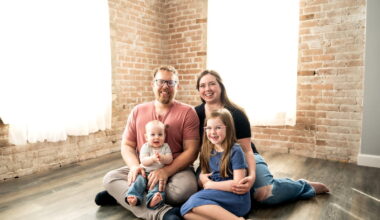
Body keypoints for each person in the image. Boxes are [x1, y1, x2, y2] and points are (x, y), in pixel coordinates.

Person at [195, 70, 329, 207]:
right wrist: (201, 177)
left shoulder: (236, 113)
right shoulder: (195, 114)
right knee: (200, 188)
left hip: (244, 157)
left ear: (221, 87)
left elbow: (247, 151)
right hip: (213, 161)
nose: (207, 89)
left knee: (263, 193)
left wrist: (252, 176)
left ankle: (302, 186)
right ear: (198, 90)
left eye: (212, 84)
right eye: (202, 86)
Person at [95, 66, 200, 220]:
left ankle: (126, 194)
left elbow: (191, 151)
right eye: (160, 81)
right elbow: (127, 145)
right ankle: (161, 213)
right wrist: (134, 167)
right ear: (153, 84)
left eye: (170, 83)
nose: (165, 86)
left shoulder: (188, 112)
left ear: (177, 86)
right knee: (110, 178)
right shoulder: (138, 111)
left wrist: (166, 171)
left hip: (177, 169)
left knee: (185, 191)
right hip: (144, 167)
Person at [181, 109, 250, 220]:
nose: (212, 132)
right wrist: (202, 178)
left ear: (228, 129)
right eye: (208, 128)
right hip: (215, 195)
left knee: (193, 202)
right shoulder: (207, 149)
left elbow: (238, 184)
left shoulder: (235, 150)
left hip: (235, 198)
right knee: (186, 213)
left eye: (218, 128)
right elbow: (204, 176)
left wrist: (210, 185)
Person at [126, 120, 173, 209]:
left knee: (158, 186)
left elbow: (170, 159)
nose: (157, 137)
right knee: (138, 181)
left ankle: (154, 200)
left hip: (158, 174)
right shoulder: (146, 146)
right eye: (152, 134)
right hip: (144, 172)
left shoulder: (165, 146)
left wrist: (163, 158)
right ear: (146, 137)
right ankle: (134, 196)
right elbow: (143, 161)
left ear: (164, 136)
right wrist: (152, 159)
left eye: (160, 134)